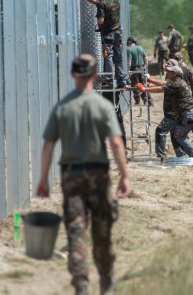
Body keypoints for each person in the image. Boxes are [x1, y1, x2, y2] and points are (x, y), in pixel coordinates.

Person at [36, 54, 131, 295]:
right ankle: (107, 280)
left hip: (72, 177)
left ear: (72, 75)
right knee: (102, 231)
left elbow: (47, 146)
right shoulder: (103, 106)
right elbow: (116, 143)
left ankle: (81, 285)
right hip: (98, 174)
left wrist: (43, 180)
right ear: (95, 74)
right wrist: (124, 176)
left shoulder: (62, 107)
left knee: (76, 232)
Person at [138, 61, 193, 159]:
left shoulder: (175, 84)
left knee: (178, 136)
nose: (167, 72)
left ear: (174, 74)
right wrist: (150, 80)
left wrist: (144, 89)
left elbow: (160, 89)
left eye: (169, 72)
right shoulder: (179, 81)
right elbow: (163, 83)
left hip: (188, 113)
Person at [75, 0, 125, 88]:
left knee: (108, 56)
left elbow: (100, 20)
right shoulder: (116, 0)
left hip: (108, 35)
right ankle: (121, 81)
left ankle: (108, 79)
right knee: (118, 58)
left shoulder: (102, 4)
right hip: (118, 34)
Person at [127, 37, 152, 106]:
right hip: (141, 68)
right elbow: (146, 58)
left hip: (133, 69)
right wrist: (145, 67)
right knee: (143, 84)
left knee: (134, 85)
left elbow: (129, 61)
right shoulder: (141, 48)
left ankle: (137, 101)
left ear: (129, 42)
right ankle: (146, 100)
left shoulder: (129, 49)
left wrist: (128, 70)